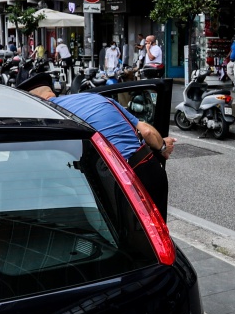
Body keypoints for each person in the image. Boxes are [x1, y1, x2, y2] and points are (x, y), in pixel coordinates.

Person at [16, 73, 176, 219]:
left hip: (123, 180)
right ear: (51, 91)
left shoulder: (50, 116)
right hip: (151, 169)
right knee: (159, 234)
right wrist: (162, 147)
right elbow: (146, 131)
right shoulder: (95, 98)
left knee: (135, 237)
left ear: (33, 101)